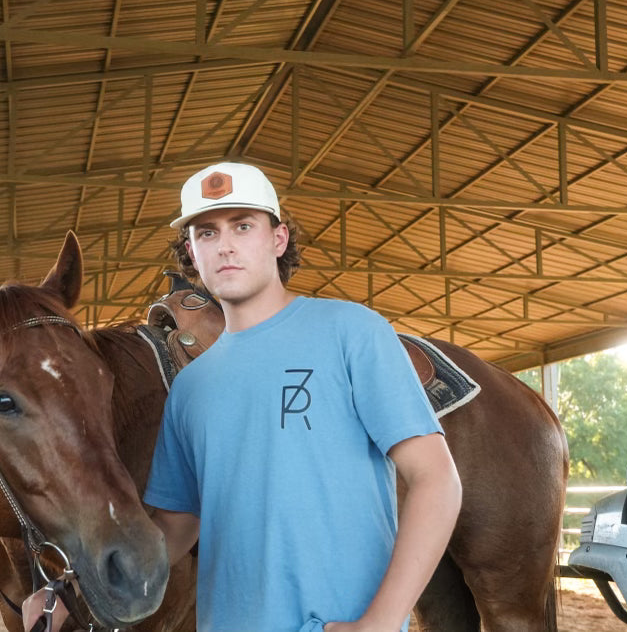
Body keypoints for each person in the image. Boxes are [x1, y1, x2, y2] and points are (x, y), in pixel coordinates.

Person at [143, 162, 463, 632]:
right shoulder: (190, 388)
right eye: (207, 233)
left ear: (278, 239)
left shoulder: (352, 331)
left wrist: (381, 621)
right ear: (191, 253)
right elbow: (175, 527)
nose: (225, 245)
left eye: (243, 226)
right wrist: (70, 589)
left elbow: (437, 480)